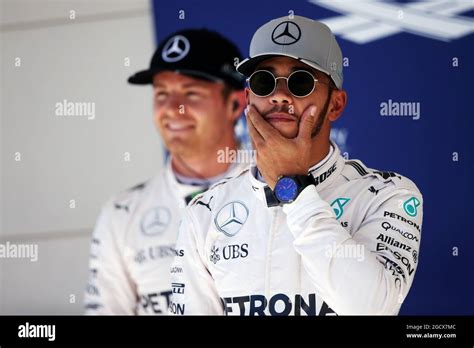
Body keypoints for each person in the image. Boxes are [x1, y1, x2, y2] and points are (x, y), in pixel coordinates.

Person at [169, 16, 423, 315]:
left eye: (300, 82)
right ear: (249, 99)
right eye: (264, 81)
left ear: (335, 105)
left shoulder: (387, 195)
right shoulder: (205, 211)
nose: (279, 96)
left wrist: (293, 189)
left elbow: (370, 309)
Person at [84, 28, 248, 314]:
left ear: (235, 104)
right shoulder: (122, 213)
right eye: (161, 94)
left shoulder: (284, 193)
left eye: (191, 93)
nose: (172, 109)